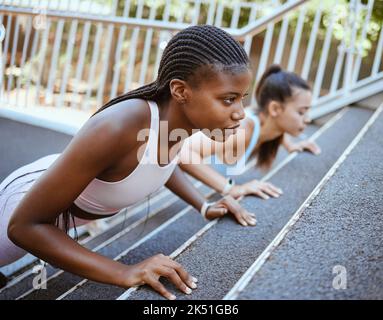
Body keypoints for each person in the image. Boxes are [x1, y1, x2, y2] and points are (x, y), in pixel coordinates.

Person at [0, 25, 257, 300]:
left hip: (68, 216)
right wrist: (125, 272)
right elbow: (24, 227)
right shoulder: (118, 126)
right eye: (228, 100)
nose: (240, 113)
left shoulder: (176, 122)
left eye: (242, 99)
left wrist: (204, 205)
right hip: (22, 206)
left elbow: (162, 164)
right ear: (181, 91)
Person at [179, 65, 321, 200]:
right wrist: (233, 189)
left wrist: (290, 146)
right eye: (301, 112)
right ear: (275, 109)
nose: (307, 119)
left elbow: (277, 127)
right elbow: (182, 152)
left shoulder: (270, 124)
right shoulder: (241, 130)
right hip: (176, 180)